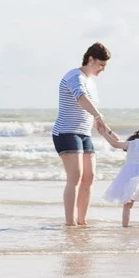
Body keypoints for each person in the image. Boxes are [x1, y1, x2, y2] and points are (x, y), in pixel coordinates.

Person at [52, 42, 112, 226]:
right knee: (76, 176)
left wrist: (106, 130)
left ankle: (82, 220)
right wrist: (98, 115)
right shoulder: (74, 76)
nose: (102, 69)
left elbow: (89, 111)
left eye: (105, 66)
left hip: (84, 134)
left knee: (90, 176)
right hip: (66, 132)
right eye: (100, 64)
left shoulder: (91, 82)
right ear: (90, 59)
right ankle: (71, 223)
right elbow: (81, 97)